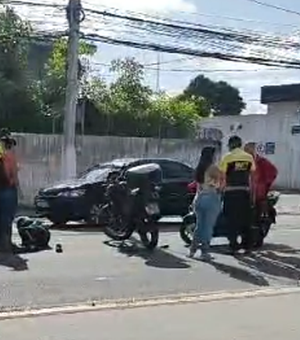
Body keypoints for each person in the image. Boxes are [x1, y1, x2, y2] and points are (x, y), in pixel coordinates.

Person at [219, 136, 255, 255]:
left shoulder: (227, 157)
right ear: (240, 144)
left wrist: (220, 190)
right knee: (246, 220)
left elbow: (223, 177)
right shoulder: (249, 157)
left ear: (230, 145)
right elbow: (252, 175)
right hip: (245, 192)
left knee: (231, 220)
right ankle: (247, 246)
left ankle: (233, 246)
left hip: (231, 192)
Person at [189, 147, 222, 261]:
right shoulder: (213, 168)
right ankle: (205, 251)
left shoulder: (199, 168)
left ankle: (192, 250)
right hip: (211, 198)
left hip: (199, 198)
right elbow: (216, 185)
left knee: (199, 226)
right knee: (208, 227)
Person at [244, 142, 278, 215]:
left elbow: (273, 172)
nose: (248, 152)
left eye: (250, 150)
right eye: (246, 150)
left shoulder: (261, 162)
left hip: (258, 194)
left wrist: (265, 184)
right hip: (246, 193)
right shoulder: (243, 162)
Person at [0, 132, 19, 253]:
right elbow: (14, 175)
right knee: (7, 218)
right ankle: (6, 245)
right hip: (8, 189)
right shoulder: (10, 156)